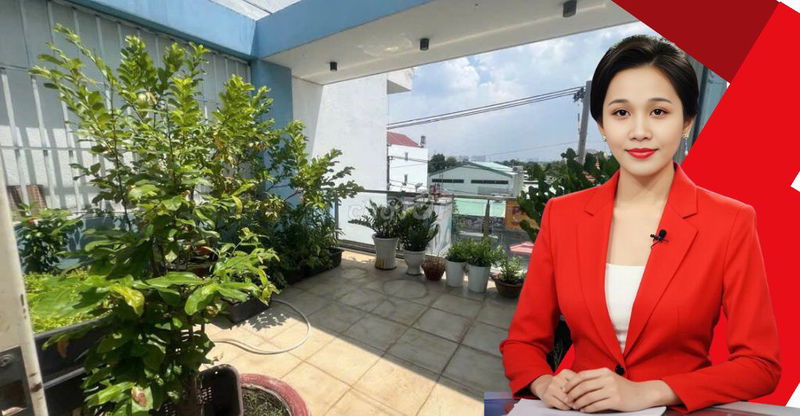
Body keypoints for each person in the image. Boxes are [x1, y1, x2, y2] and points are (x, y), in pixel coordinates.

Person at [499, 34, 781, 414]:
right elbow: (522, 342)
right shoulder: (563, 215)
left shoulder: (731, 221)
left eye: (659, 112)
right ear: (602, 124)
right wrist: (543, 381)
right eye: (621, 113)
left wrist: (652, 391)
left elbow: (760, 365)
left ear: (687, 121)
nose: (639, 131)